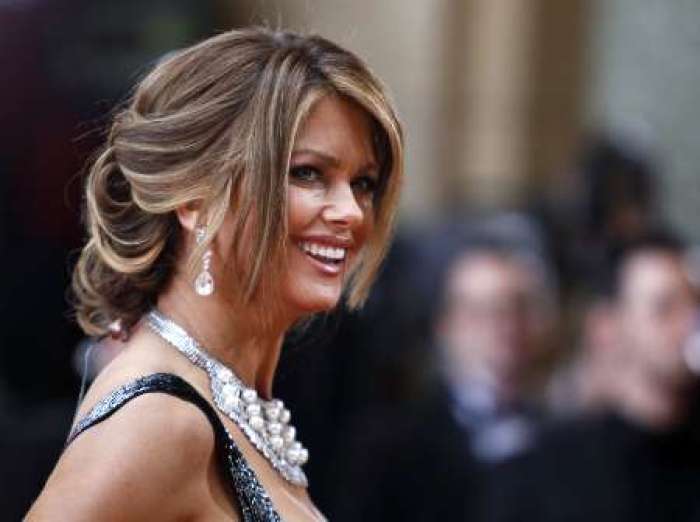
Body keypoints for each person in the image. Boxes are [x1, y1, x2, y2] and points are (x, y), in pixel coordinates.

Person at [27, 26, 403, 521]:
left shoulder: (224, 398)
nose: (351, 212)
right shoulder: (159, 420)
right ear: (193, 195)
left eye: (363, 183)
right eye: (307, 173)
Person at [336, 218, 556, 521]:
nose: (503, 327)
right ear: (446, 325)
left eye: (516, 308)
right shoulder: (392, 449)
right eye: (481, 312)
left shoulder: (565, 431)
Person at [486, 231, 700, 522]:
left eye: (694, 304)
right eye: (664, 309)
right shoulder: (553, 468)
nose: (688, 323)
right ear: (608, 325)